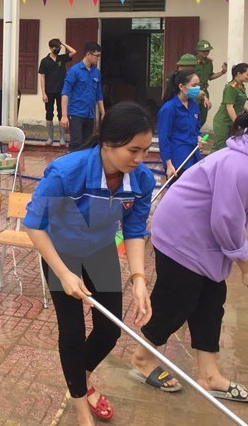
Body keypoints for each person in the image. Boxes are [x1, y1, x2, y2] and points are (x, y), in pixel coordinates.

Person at [130, 96, 248, 403]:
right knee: (176, 304)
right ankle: (142, 359)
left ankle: (209, 374)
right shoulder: (242, 166)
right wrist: (247, 267)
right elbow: (226, 221)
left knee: (211, 302)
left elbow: (230, 219)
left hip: (202, 235)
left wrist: (239, 257)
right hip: (181, 235)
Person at [24, 102, 155, 424]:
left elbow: (135, 229)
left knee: (110, 331)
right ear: (108, 142)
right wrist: (65, 274)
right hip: (62, 253)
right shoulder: (67, 172)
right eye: (133, 150)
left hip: (100, 252)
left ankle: (80, 380)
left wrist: (139, 277)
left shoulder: (141, 181)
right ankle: (82, 408)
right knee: (72, 331)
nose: (139, 160)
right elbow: (33, 224)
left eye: (145, 150)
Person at [157, 70, 203, 181]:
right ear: (182, 87)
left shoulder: (194, 105)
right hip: (177, 160)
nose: (198, 88)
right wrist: (168, 164)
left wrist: (198, 137)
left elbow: (196, 128)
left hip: (194, 156)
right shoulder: (169, 108)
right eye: (194, 85)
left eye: (198, 85)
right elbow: (164, 138)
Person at [60, 42, 104, 151]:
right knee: (76, 142)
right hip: (76, 113)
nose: (98, 58)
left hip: (90, 114)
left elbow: (98, 94)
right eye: (96, 55)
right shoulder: (74, 71)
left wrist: (103, 113)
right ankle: (73, 166)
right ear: (88, 54)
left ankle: (84, 166)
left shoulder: (96, 72)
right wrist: (64, 115)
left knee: (88, 143)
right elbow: (65, 93)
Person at [39, 38, 76, 147]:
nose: (58, 49)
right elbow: (42, 77)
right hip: (49, 91)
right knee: (49, 113)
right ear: (50, 48)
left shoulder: (62, 58)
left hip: (61, 91)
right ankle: (50, 137)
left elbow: (74, 52)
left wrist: (63, 43)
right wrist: (43, 93)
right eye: (56, 48)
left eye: (59, 48)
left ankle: (62, 138)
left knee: (61, 114)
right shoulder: (44, 61)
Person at [211, 63, 248, 151]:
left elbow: (238, 103)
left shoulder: (241, 86)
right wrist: (237, 123)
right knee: (220, 147)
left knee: (229, 147)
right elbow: (229, 107)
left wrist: (246, 111)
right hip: (224, 122)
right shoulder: (231, 87)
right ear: (239, 74)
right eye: (247, 74)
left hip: (232, 121)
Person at [192, 39, 228, 128]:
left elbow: (210, 76)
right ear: (198, 51)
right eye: (203, 51)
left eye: (207, 50)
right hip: (194, 92)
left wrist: (222, 72)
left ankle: (197, 134)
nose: (206, 52)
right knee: (193, 116)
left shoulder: (209, 62)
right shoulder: (192, 62)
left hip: (205, 91)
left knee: (203, 117)